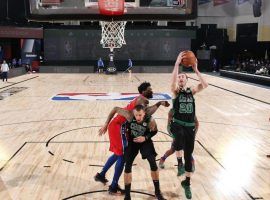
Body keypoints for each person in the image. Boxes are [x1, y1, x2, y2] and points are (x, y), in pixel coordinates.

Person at [95, 82, 169, 195]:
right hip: (118, 127)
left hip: (119, 126)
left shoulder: (141, 100)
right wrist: (159, 103)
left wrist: (159, 104)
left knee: (117, 154)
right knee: (122, 156)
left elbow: (146, 111)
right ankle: (113, 186)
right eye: (150, 89)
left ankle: (101, 175)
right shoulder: (142, 100)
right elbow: (146, 112)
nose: (152, 90)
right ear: (143, 91)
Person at [106, 104, 166, 200]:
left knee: (152, 162)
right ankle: (127, 196)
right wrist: (106, 124)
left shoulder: (150, 120)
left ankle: (157, 192)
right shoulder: (129, 115)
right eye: (136, 115)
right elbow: (115, 108)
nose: (138, 117)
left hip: (145, 141)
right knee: (128, 165)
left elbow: (154, 131)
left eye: (140, 115)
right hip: (132, 142)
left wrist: (145, 137)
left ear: (144, 113)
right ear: (133, 113)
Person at [170, 51, 208, 199]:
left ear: (186, 80)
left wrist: (196, 70)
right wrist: (176, 64)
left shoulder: (191, 91)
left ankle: (187, 182)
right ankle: (179, 162)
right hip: (178, 124)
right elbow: (172, 81)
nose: (180, 78)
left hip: (189, 126)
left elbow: (205, 85)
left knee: (189, 154)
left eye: (182, 77)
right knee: (178, 137)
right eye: (179, 76)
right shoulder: (175, 91)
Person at [158, 109, 199, 174]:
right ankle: (162, 159)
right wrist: (173, 135)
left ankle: (192, 164)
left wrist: (194, 134)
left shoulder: (190, 111)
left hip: (187, 135)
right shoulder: (172, 111)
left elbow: (197, 123)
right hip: (178, 134)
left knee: (187, 151)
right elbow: (168, 126)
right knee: (172, 150)